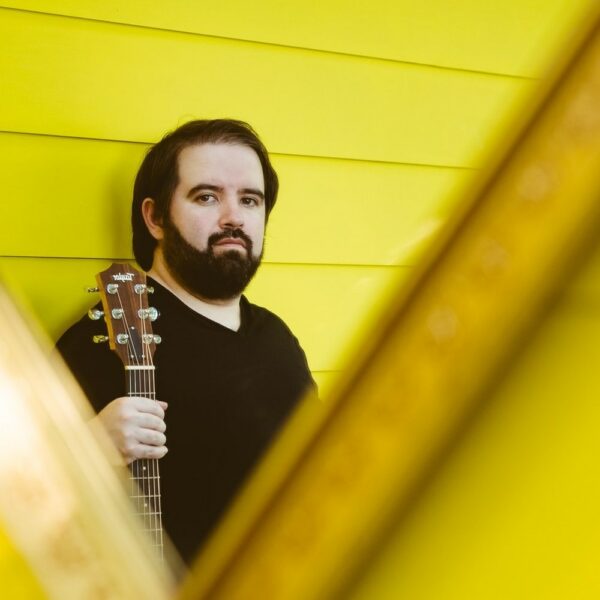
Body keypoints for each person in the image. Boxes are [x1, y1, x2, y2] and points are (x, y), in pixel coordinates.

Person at [57, 119, 315, 566]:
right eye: (207, 196)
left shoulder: (278, 341)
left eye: (249, 200)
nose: (233, 216)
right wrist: (91, 448)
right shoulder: (102, 341)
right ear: (155, 218)